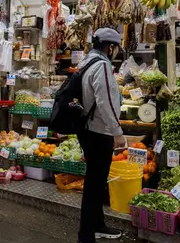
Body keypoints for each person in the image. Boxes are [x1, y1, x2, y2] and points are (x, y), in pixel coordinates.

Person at [76, 27, 125, 243]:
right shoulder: (103, 66)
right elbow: (105, 102)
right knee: (95, 186)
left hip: (87, 130)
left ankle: (97, 225)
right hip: (99, 132)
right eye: (115, 48)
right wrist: (118, 133)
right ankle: (85, 236)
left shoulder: (86, 61)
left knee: (94, 181)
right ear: (110, 47)